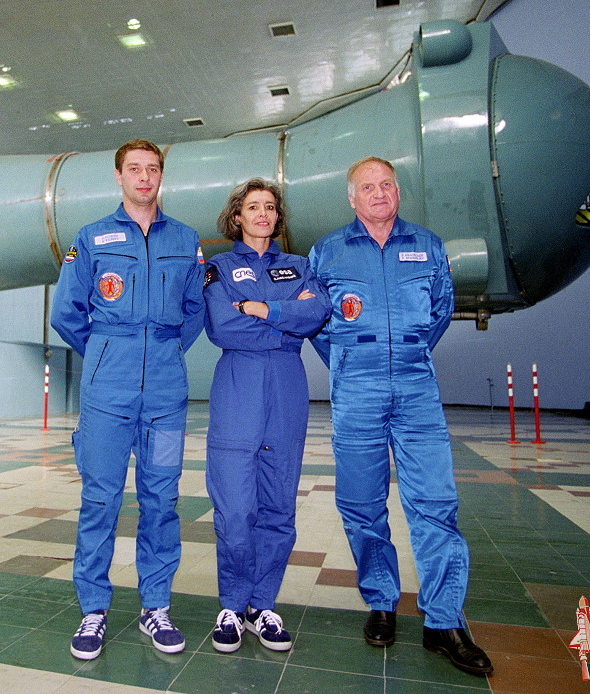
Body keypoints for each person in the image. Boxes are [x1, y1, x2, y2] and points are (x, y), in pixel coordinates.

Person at [308, 156, 493, 676]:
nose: (379, 193)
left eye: (386, 184)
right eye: (367, 187)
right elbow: (317, 322)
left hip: (416, 389)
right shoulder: (328, 252)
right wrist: (351, 362)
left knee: (435, 503)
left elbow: (440, 312)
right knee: (362, 504)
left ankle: (444, 620)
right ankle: (381, 601)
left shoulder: (427, 246)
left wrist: (408, 354)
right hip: (356, 391)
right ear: (352, 197)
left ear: (398, 191)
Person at [51, 138, 206, 661]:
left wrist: (164, 351)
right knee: (100, 499)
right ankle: (93, 609)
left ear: (161, 176)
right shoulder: (92, 237)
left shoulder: (185, 239)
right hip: (107, 393)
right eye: (134, 169)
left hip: (165, 395)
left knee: (161, 500)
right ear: (118, 176)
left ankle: (155, 606)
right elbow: (66, 312)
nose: (144, 177)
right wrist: (104, 352)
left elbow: (194, 310)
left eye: (152, 169)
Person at [202, 178, 329, 654]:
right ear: (237, 216)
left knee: (278, 506)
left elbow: (316, 313)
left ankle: (262, 605)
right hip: (238, 387)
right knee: (236, 507)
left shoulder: (300, 265)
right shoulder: (218, 268)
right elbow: (223, 326)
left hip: (287, 389)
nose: (262, 214)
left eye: (270, 207)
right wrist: (285, 316)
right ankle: (232, 605)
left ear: (278, 217)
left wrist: (259, 308)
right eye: (252, 207)